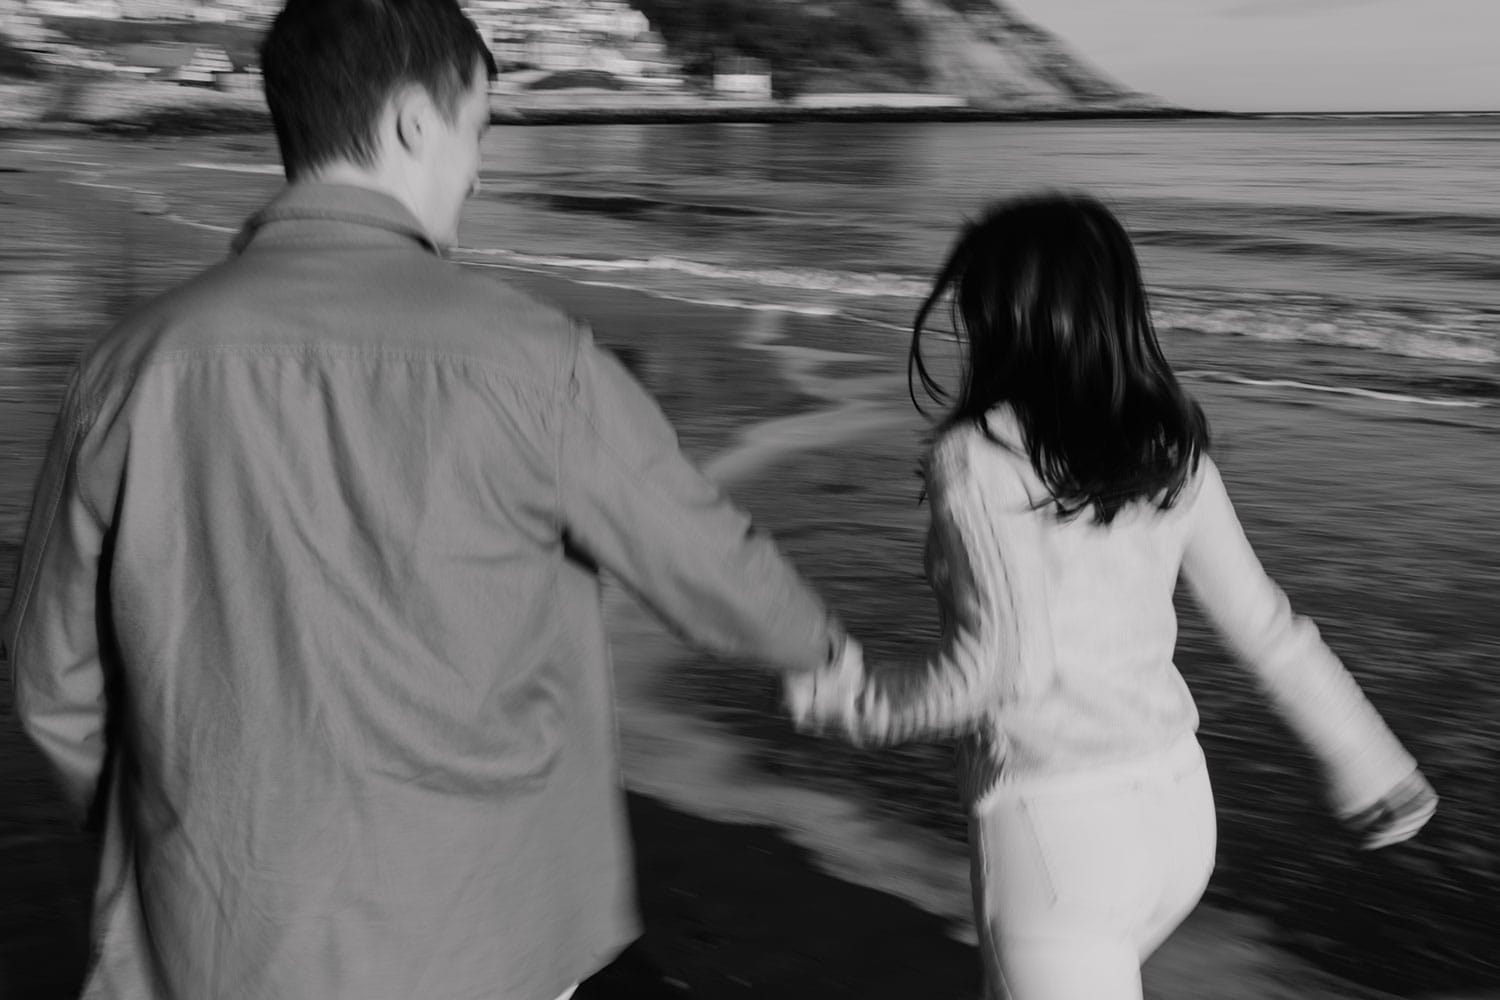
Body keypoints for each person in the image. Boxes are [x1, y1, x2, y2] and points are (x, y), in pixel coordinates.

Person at [1, 0, 850, 997]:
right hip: (484, 939)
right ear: (413, 121)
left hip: (220, 944)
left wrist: (174, 836)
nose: (480, 171)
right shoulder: (533, 358)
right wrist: (820, 649)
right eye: (476, 130)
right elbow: (707, 557)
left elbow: (50, 682)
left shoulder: (127, 370)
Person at [787, 193, 1438, 1000]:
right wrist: (1368, 758)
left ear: (1006, 317)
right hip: (1178, 812)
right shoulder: (1166, 445)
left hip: (1058, 838)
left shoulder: (977, 457)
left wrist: (855, 702)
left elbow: (999, 673)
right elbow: (1262, 622)